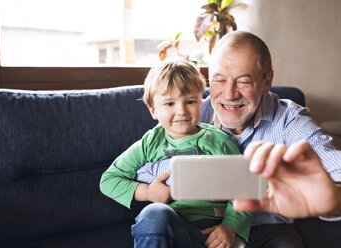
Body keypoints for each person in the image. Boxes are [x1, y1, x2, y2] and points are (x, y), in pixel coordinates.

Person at [141, 31, 341, 248]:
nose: (229, 95)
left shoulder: (288, 119)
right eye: (219, 80)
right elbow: (145, 165)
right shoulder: (190, 114)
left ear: (267, 81)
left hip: (268, 230)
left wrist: (338, 198)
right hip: (204, 228)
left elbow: (340, 163)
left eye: (244, 82)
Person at [100, 59, 252, 248]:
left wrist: (231, 227)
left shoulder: (218, 141)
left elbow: (246, 186)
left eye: (190, 101)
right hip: (165, 226)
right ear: (153, 110)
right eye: (170, 103)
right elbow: (109, 180)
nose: (181, 111)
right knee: (153, 214)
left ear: (201, 102)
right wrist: (148, 192)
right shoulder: (150, 142)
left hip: (209, 230)